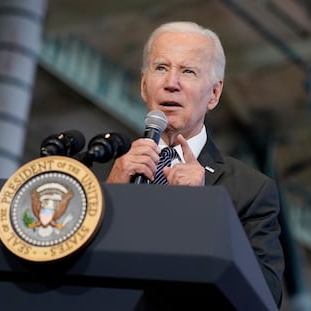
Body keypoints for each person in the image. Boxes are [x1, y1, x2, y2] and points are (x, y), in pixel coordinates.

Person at [106, 21, 284, 307]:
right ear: (143, 85)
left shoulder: (252, 190)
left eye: (187, 71)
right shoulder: (105, 173)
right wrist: (110, 195)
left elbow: (266, 296)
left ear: (214, 94)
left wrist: (203, 214)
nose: (171, 83)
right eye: (161, 68)